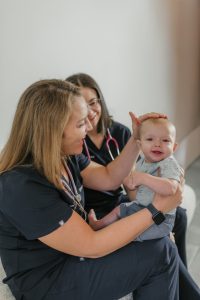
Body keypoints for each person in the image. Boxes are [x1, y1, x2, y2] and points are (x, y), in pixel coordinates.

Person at [0, 79, 182, 300]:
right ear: (52, 131)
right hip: (47, 281)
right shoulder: (21, 185)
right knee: (159, 253)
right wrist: (156, 210)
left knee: (161, 246)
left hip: (70, 257)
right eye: (79, 124)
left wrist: (136, 139)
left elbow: (109, 177)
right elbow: (91, 245)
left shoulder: (66, 157)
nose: (88, 128)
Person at [66, 73, 200, 300]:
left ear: (100, 101)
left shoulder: (120, 132)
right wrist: (150, 218)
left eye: (94, 102)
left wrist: (146, 208)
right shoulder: (76, 142)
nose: (91, 111)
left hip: (121, 199)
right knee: (160, 242)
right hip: (99, 209)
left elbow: (133, 179)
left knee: (178, 217)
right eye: (82, 104)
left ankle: (177, 279)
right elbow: (110, 177)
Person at [88, 117, 182, 243]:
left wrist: (144, 178)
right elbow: (134, 187)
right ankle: (98, 224)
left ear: (174, 147)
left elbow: (171, 188)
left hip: (161, 218)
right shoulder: (142, 162)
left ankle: (164, 235)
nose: (157, 144)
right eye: (150, 139)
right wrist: (129, 183)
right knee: (119, 209)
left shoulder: (168, 163)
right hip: (141, 207)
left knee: (129, 235)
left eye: (165, 140)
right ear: (140, 144)